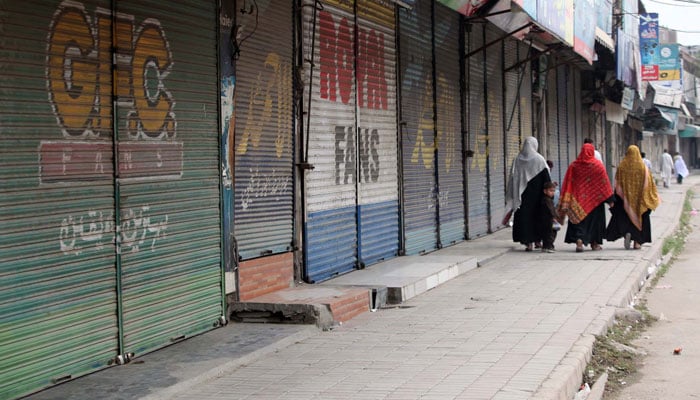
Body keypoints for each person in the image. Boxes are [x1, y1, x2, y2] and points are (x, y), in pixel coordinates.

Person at [558, 143, 614, 252]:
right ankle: (594, 244)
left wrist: (566, 199)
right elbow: (604, 184)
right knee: (595, 223)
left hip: (578, 200)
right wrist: (610, 200)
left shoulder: (574, 166)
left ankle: (579, 240)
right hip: (595, 202)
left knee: (579, 221)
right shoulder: (598, 166)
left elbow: (568, 182)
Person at [605, 145, 660, 250]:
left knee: (625, 218)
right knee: (641, 219)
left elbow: (617, 184)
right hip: (640, 201)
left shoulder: (622, 166)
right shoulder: (644, 168)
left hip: (625, 201)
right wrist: (652, 197)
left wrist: (618, 197)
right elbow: (650, 185)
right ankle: (637, 242)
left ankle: (627, 234)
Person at [506, 136, 551, 252]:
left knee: (525, 219)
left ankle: (528, 243)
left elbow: (512, 178)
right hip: (537, 196)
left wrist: (513, 193)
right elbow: (546, 177)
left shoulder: (517, 159)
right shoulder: (539, 159)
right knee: (538, 218)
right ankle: (538, 241)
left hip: (522, 197)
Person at [537, 181, 561, 253]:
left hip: (547, 220)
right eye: (551, 191)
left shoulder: (549, 200)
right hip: (547, 221)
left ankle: (548, 246)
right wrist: (554, 217)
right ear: (545, 191)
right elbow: (550, 210)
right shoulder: (546, 200)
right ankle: (548, 246)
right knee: (549, 234)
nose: (552, 193)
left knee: (550, 234)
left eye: (553, 191)